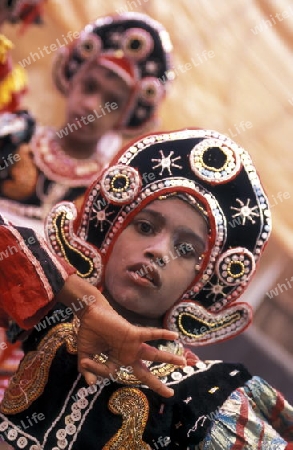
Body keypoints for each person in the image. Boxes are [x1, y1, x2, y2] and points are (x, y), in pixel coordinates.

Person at [1, 128, 292, 449]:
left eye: (186, 249)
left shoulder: (205, 396)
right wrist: (83, 300)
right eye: (145, 227)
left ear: (201, 282)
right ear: (111, 233)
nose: (158, 251)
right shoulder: (50, 309)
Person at [0, 12, 173, 226]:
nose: (92, 106)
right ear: (72, 80)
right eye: (89, 87)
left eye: (113, 103)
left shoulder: (108, 195)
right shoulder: (13, 137)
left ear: (126, 118)